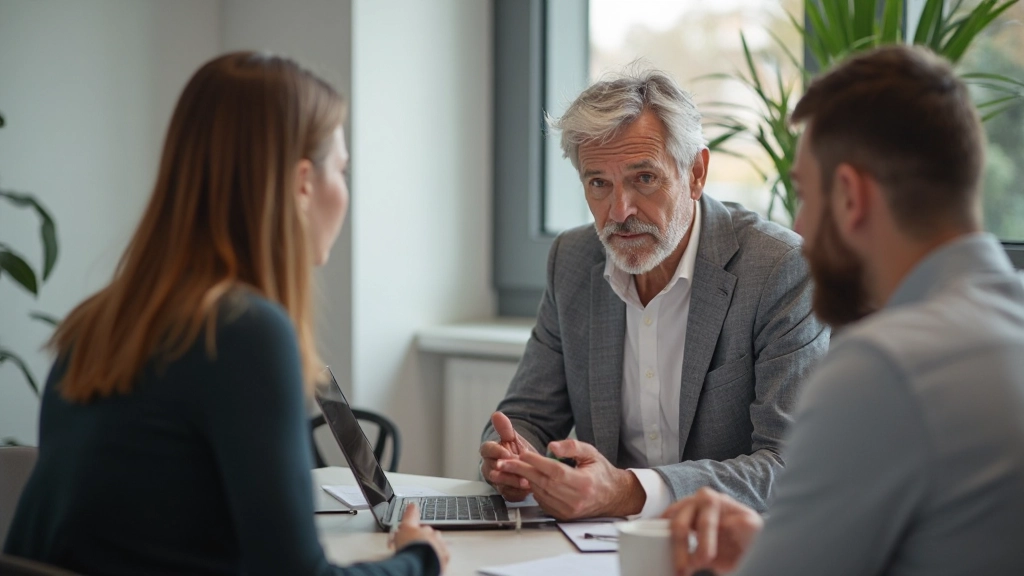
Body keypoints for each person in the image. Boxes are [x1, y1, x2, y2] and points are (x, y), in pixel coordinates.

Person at [3, 52, 449, 576]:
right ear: (303, 183)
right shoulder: (244, 332)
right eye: (343, 170)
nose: (345, 192)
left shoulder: (99, 324)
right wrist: (418, 559)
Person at [664, 45, 1024, 576]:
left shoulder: (885, 368)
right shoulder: (1004, 324)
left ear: (851, 197)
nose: (801, 230)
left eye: (805, 196)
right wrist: (774, 543)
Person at [481, 68, 830, 520]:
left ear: (696, 174)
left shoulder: (780, 269)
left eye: (644, 178)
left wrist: (630, 491)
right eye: (598, 184)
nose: (620, 212)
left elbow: (789, 465)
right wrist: (512, 460)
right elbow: (526, 415)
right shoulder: (572, 260)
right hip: (600, 551)